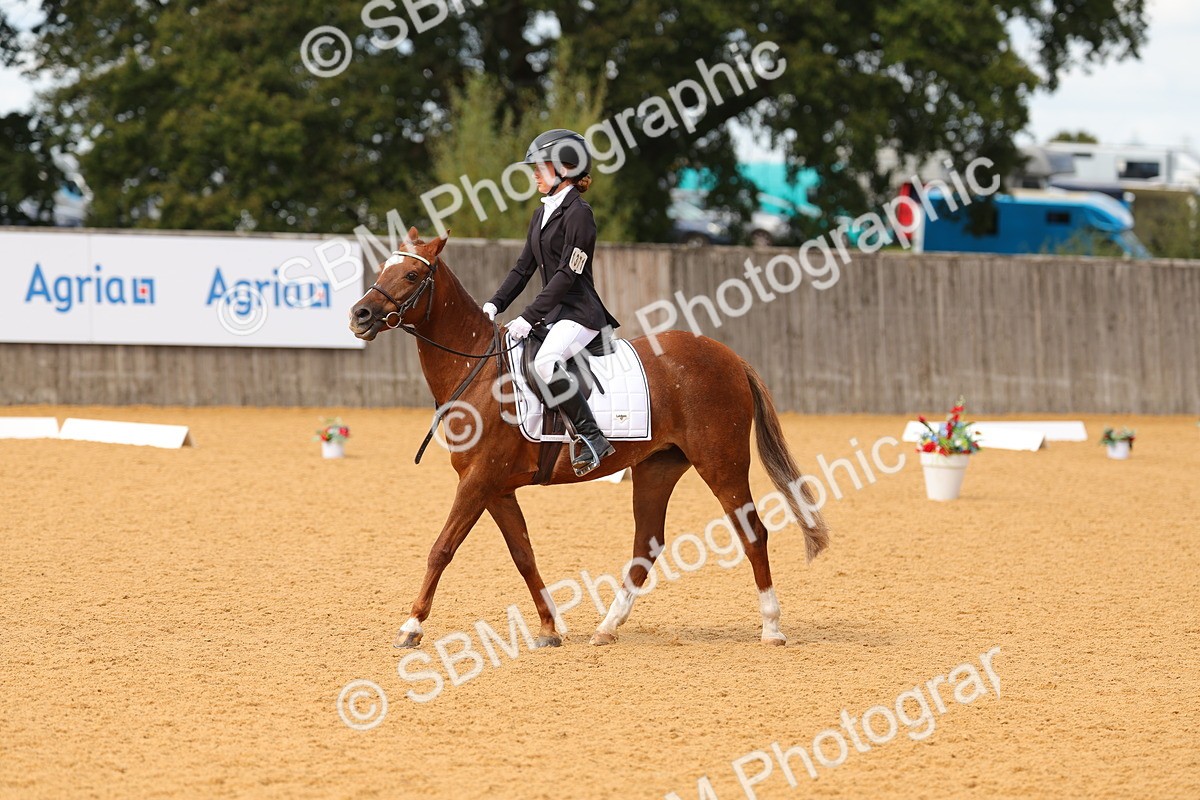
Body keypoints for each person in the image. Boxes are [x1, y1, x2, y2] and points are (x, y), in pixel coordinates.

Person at [482, 128, 620, 477]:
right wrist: (494, 305)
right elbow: (523, 268)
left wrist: (529, 316)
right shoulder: (541, 214)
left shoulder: (580, 214)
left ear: (565, 170)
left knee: (545, 363)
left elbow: (567, 274)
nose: (533, 174)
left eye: (540, 168)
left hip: (581, 313)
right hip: (556, 314)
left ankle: (593, 439)